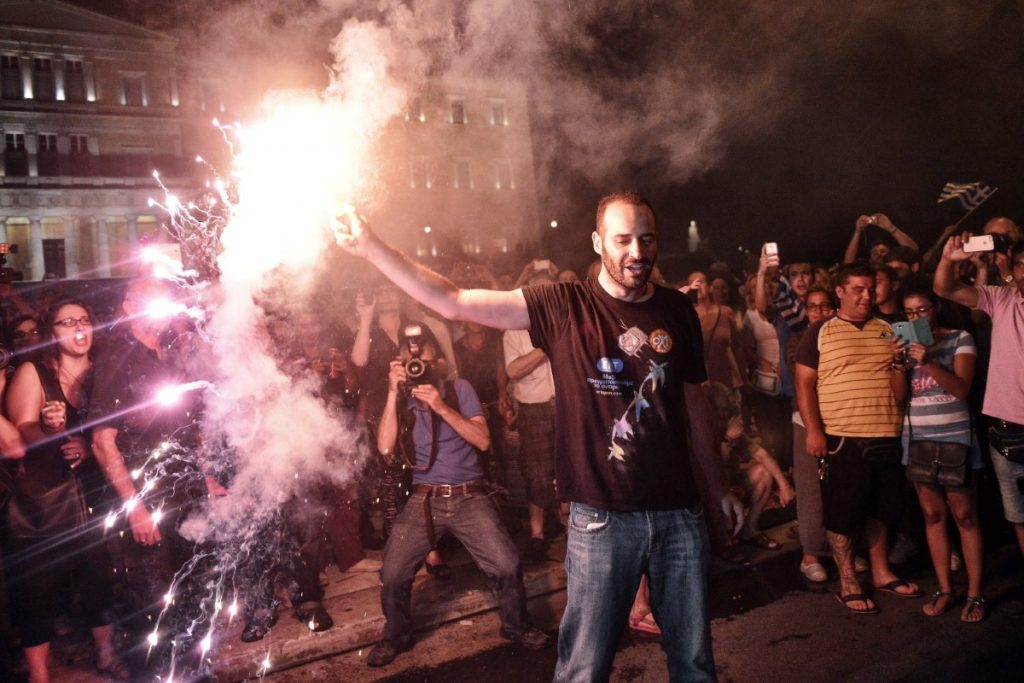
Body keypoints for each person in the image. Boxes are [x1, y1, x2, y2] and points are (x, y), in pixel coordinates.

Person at [333, 192, 743, 681]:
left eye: (646, 238)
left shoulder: (677, 311)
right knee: (584, 668)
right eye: (623, 239)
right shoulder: (563, 304)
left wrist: (716, 487)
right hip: (602, 520)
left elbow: (693, 404)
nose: (637, 251)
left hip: (679, 513)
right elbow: (455, 301)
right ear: (597, 242)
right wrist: (374, 246)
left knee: (695, 664)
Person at [366, 336, 550, 667]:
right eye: (409, 357)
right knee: (392, 574)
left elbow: (482, 439)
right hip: (425, 499)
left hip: (469, 496)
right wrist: (393, 392)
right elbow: (383, 447)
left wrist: (440, 406)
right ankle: (397, 636)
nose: (417, 361)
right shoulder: (403, 399)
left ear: (438, 358)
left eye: (423, 353)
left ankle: (517, 626)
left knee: (507, 564)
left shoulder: (459, 388)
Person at [4, 299, 127, 681]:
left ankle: (106, 653)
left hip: (93, 494)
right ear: (52, 331)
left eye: (84, 320)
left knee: (98, 579)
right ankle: (39, 675)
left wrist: (89, 447)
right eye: (66, 321)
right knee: (36, 589)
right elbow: (21, 432)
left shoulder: (102, 373)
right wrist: (50, 428)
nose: (78, 327)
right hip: (43, 498)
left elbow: (119, 431)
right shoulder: (33, 372)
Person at [89, 278, 207, 664]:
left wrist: (206, 478)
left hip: (184, 495)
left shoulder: (171, 351)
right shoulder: (116, 356)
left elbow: (191, 426)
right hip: (145, 497)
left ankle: (195, 668)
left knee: (194, 592)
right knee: (156, 605)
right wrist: (136, 508)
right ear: (129, 306)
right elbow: (102, 442)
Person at [795, 261, 920, 615]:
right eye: (857, 289)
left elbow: (901, 392)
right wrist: (814, 430)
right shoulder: (820, 330)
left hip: (886, 432)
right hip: (841, 436)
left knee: (881, 509)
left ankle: (881, 572)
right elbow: (804, 383)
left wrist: (899, 365)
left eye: (870, 288)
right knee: (842, 513)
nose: (866, 295)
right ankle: (848, 579)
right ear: (840, 291)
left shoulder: (893, 328)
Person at [934, 232, 1024, 562]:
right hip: (1006, 427)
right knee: (1018, 515)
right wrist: (947, 260)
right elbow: (946, 289)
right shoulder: (1000, 298)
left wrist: (1010, 273)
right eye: (1020, 265)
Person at [898, 282, 985, 622]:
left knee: (965, 515)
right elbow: (899, 396)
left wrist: (929, 360)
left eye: (921, 310)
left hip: (956, 438)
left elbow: (961, 389)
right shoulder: (906, 347)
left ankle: (976, 594)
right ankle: (945, 588)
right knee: (933, 516)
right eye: (908, 313)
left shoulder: (960, 338)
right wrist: (897, 365)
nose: (915, 317)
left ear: (935, 308)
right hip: (918, 437)